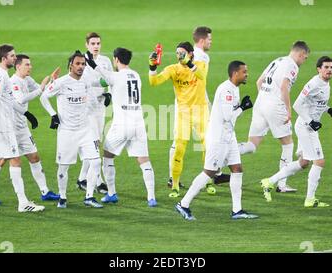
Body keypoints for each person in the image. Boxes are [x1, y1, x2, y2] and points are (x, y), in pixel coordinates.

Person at [175, 60, 258, 220]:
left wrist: (240, 107)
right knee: (209, 173)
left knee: (237, 169)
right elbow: (228, 116)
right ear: (235, 74)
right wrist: (242, 107)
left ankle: (237, 210)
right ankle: (183, 204)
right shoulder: (226, 90)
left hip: (229, 136)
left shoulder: (234, 89)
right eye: (244, 72)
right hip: (218, 138)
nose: (247, 74)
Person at [0, 44, 45, 213]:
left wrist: (26, 114)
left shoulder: (3, 75)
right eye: (12, 55)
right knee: (15, 159)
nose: (14, 57)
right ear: (4, 58)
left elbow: (10, 101)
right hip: (1, 126)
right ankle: (23, 202)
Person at [260, 56, 332, 207]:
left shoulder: (325, 83)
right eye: (326, 67)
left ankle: (269, 181)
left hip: (308, 126)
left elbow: (315, 103)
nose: (329, 70)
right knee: (319, 162)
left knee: (304, 162)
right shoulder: (314, 83)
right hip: (306, 127)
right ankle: (310, 199)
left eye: (331, 67)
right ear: (319, 69)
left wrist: (329, 110)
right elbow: (297, 105)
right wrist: (311, 121)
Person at [84, 48, 157, 207]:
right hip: (138, 124)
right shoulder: (136, 75)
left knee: (107, 156)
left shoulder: (115, 76)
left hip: (121, 125)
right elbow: (105, 81)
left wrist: (89, 59)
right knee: (144, 161)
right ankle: (151, 197)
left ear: (116, 59)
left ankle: (111, 193)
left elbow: (99, 70)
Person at [0, 54, 60, 205]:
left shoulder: (27, 80)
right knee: (1, 159)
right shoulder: (13, 82)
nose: (30, 67)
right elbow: (21, 100)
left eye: (30, 64)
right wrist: (40, 89)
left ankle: (45, 191)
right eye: (27, 64)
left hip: (22, 128)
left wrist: (51, 81)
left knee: (34, 157)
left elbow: (41, 89)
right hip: (9, 128)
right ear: (18, 66)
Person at [238, 41, 310, 193]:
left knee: (252, 145)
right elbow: (284, 86)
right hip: (275, 105)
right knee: (288, 144)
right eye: (305, 58)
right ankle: (282, 185)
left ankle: (226, 152)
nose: (304, 61)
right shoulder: (292, 65)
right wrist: (288, 109)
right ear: (301, 54)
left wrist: (265, 100)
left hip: (260, 103)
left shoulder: (277, 61)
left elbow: (259, 81)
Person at [149, 41, 214, 198]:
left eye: (182, 53)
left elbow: (202, 76)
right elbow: (154, 82)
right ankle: (175, 186)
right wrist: (152, 67)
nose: (179, 56)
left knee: (208, 147)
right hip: (183, 114)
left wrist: (189, 64)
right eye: (177, 53)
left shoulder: (200, 64)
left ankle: (209, 182)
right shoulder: (173, 69)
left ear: (190, 54)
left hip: (201, 112)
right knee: (179, 149)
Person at [40, 50, 103, 209]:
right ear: (71, 66)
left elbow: (92, 101)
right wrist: (53, 114)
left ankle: (89, 196)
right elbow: (43, 97)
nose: (81, 67)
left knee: (96, 161)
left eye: (83, 64)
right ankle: (62, 197)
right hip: (67, 132)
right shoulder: (61, 82)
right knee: (64, 167)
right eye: (78, 64)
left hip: (85, 129)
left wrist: (104, 98)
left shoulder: (86, 82)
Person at [76, 32, 113, 194]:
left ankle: (82, 178)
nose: (96, 46)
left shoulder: (105, 61)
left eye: (98, 43)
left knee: (96, 142)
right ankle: (98, 181)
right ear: (87, 45)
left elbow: (111, 79)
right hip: (85, 109)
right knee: (93, 143)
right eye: (93, 43)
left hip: (100, 108)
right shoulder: (80, 62)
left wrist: (109, 93)